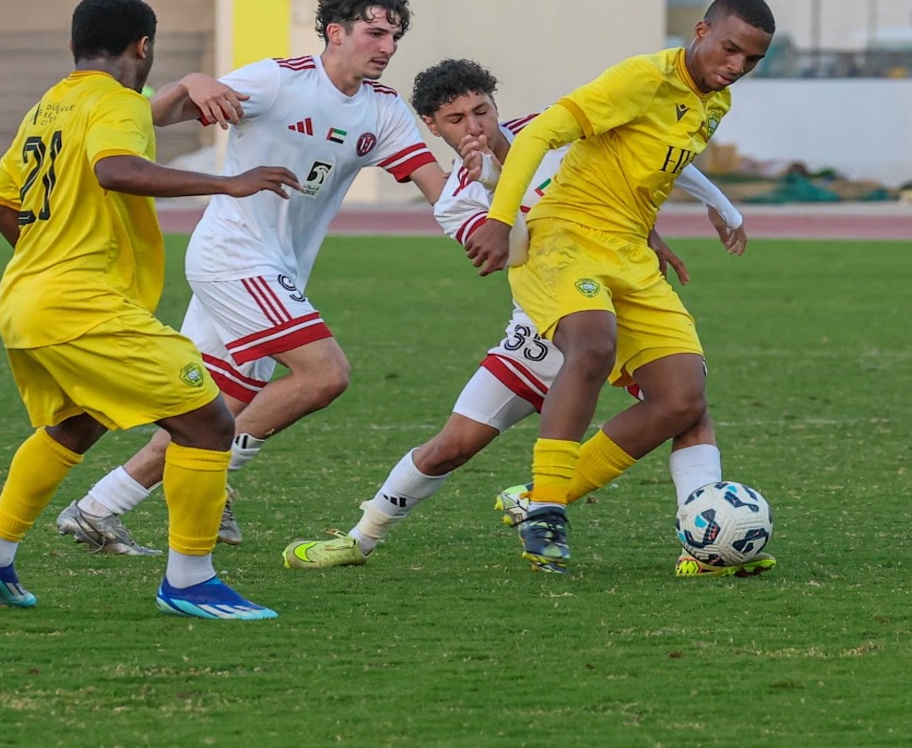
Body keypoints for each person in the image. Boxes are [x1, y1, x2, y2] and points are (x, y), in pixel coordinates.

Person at [280, 58, 748, 572]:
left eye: (481, 110)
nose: (474, 126)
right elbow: (515, 253)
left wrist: (709, 209)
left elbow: (655, 155)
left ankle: (703, 545)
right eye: (456, 120)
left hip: (603, 303)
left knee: (685, 403)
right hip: (540, 325)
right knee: (451, 447)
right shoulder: (456, 197)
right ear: (433, 128)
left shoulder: (552, 133)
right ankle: (359, 539)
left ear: (496, 104)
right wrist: (487, 188)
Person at [51, 0, 449, 555]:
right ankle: (216, 479)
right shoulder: (278, 80)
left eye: (394, 36)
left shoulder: (384, 112)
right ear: (335, 33)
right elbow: (153, 118)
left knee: (208, 410)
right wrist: (191, 81)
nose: (386, 47)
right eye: (375, 32)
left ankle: (96, 509)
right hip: (233, 256)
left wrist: (490, 217)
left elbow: (437, 187)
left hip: (275, 269)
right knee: (324, 374)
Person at [0, 0, 300, 618]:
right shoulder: (117, 105)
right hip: (77, 305)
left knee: (77, 424)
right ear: (144, 46)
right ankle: (189, 580)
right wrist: (227, 182)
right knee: (209, 421)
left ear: (74, 48)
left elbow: (0, 205)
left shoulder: (50, 107)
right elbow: (115, 169)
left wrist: (49, 258)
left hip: (26, 299)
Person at [463, 0, 778, 575]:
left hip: (629, 252)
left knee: (683, 400)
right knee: (592, 343)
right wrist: (499, 220)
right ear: (702, 30)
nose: (736, 66)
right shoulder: (641, 78)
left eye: (751, 60)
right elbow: (537, 136)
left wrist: (701, 212)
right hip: (565, 238)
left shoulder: (715, 103)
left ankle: (538, 497)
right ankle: (547, 510)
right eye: (730, 49)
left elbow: (650, 165)